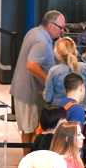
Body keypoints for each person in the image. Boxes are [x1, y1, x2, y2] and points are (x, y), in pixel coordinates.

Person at [10, 10, 65, 145]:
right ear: (51, 26)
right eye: (61, 27)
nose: (62, 31)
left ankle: (29, 160)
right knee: (33, 130)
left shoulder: (35, 31)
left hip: (23, 88)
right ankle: (30, 162)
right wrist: (49, 81)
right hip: (29, 93)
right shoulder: (41, 40)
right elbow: (31, 65)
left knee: (29, 130)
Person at [43, 37, 86, 110]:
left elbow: (48, 98)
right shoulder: (84, 68)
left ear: (58, 54)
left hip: (60, 113)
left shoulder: (54, 71)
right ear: (75, 51)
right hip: (83, 112)